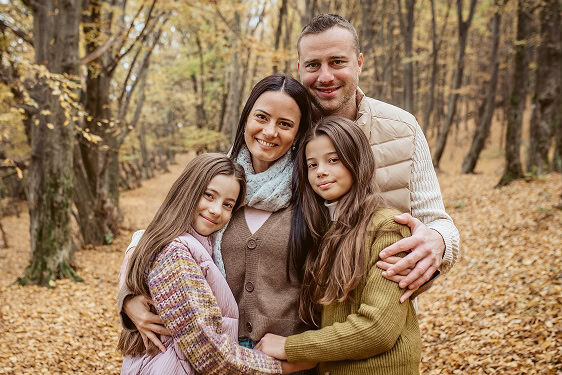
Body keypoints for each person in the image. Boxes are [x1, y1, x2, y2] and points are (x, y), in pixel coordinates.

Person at [117, 75, 316, 374]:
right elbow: (154, 239)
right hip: (213, 360)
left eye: (285, 124)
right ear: (246, 117)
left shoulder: (311, 191)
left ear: (299, 133)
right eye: (261, 117)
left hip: (285, 361)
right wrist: (128, 297)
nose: (270, 131)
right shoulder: (217, 179)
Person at [295, 14, 460, 300]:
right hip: (294, 321)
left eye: (337, 62)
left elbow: (439, 222)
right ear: (299, 68)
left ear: (359, 63)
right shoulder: (285, 129)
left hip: (378, 316)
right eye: (313, 65)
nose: (325, 76)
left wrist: (440, 241)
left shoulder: (402, 128)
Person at [256, 116, 421, 374]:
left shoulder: (388, 228)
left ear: (357, 161)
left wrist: (290, 346)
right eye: (312, 164)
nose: (321, 171)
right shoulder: (323, 232)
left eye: (333, 160)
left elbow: (378, 329)